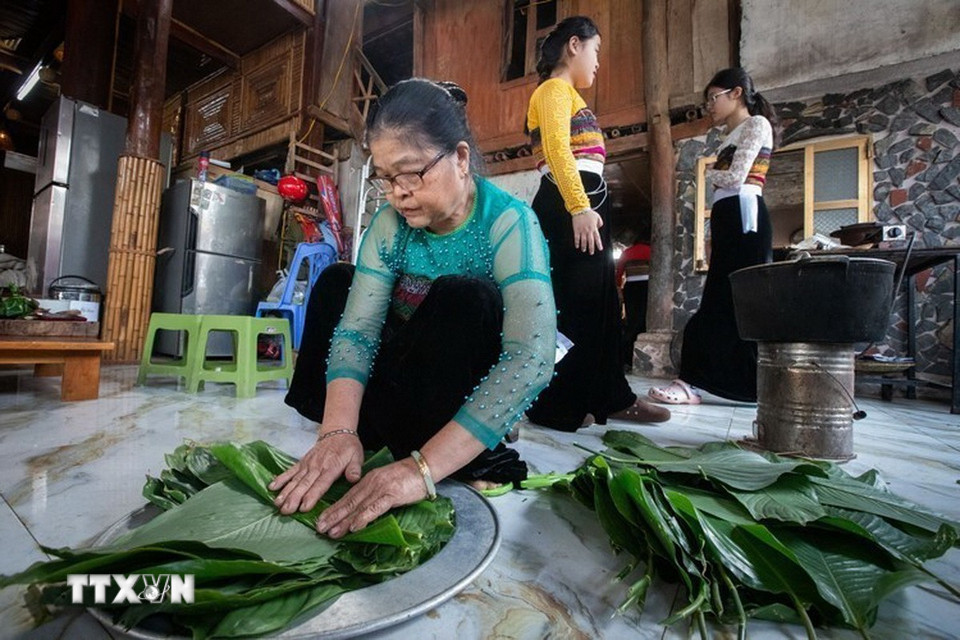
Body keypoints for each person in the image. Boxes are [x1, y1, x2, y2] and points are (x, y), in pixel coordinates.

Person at [273, 79, 557, 537]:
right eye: (386, 178)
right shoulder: (389, 225)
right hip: (400, 382)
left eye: (410, 173)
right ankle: (361, 438)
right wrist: (337, 431)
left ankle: (451, 449)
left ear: (460, 159)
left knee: (466, 297)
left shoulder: (508, 223)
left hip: (451, 393)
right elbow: (358, 332)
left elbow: (533, 356)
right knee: (337, 281)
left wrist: (420, 470)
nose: (397, 193)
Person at [522, 16, 669, 431]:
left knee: (601, 306)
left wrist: (585, 207)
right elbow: (556, 149)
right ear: (574, 45)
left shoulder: (569, 95)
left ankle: (607, 396)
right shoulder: (553, 90)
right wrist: (578, 207)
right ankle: (557, 402)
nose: (598, 62)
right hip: (569, 205)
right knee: (573, 305)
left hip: (583, 205)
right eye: (596, 50)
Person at [649, 67, 778, 405]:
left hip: (745, 217)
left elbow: (735, 177)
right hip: (727, 216)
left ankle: (697, 382)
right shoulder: (728, 137)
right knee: (721, 300)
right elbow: (727, 182)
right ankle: (706, 382)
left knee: (735, 303)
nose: (709, 105)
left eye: (713, 97)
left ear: (736, 93)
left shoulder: (756, 124)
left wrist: (706, 173)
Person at [616, 236, 651, 372]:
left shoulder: (627, 253)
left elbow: (619, 274)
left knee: (632, 320)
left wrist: (619, 289)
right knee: (643, 320)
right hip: (647, 287)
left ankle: (626, 359)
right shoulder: (651, 250)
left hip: (631, 288)